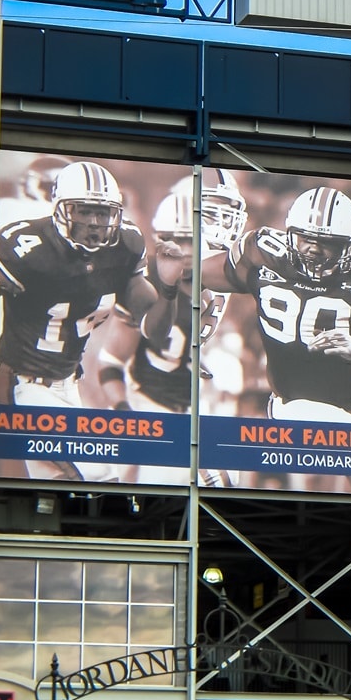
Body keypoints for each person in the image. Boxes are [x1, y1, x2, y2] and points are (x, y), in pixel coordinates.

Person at [201, 185, 351, 494]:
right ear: (291, 234)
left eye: (327, 243)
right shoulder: (263, 253)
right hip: (300, 402)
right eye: (305, 239)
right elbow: (195, 273)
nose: (314, 250)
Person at [0, 160, 184, 481]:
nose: (96, 223)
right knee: (96, 473)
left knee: (56, 489)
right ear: (61, 209)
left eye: (104, 213)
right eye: (84, 212)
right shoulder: (24, 248)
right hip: (23, 385)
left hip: (69, 384)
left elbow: (154, 329)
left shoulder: (125, 246)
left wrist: (168, 287)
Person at [95, 189, 238, 486]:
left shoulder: (215, 281)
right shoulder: (143, 282)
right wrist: (125, 415)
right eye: (177, 239)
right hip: (148, 406)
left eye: (191, 239)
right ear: (160, 239)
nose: (185, 249)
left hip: (191, 407)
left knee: (228, 480)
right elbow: (110, 362)